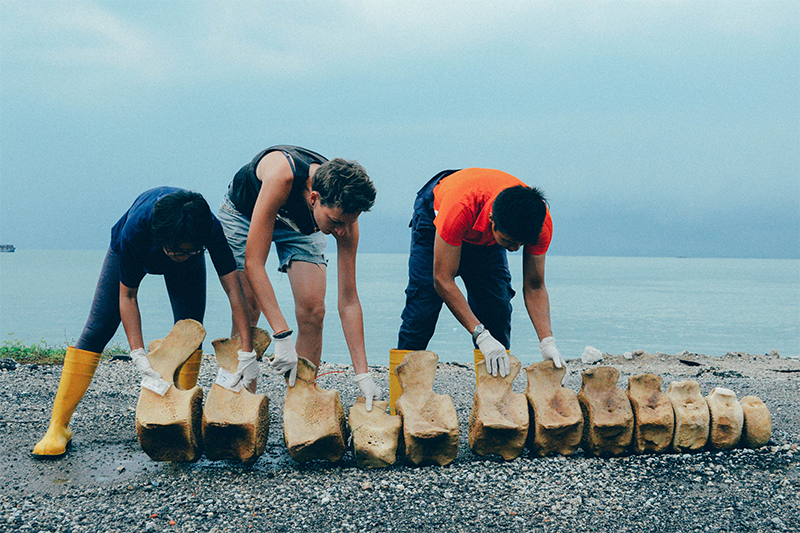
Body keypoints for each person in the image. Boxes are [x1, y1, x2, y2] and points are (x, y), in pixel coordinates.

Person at [32, 187, 254, 457]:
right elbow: (128, 295)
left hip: (182, 241)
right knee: (97, 329)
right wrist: (138, 354)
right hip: (140, 246)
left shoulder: (206, 228)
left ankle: (180, 421)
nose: (182, 258)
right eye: (176, 253)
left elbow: (234, 290)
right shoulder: (137, 230)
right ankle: (58, 426)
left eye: (190, 252)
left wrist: (246, 350)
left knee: (190, 330)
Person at [217, 145, 382, 410]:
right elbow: (254, 263)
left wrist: (363, 374)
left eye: (347, 223)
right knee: (249, 305)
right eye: (336, 221)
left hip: (303, 225)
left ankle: (301, 407)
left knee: (313, 309)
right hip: (246, 213)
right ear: (314, 197)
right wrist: (281, 336)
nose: (341, 232)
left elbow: (348, 300)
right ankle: (238, 402)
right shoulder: (282, 176)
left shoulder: (344, 218)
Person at [389, 168, 565, 411]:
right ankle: (401, 404)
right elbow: (443, 279)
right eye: (508, 242)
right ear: (492, 219)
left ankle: (494, 407)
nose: (514, 250)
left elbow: (535, 285)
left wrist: (547, 342)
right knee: (422, 308)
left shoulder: (538, 222)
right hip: (438, 218)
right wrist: (480, 334)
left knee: (496, 308)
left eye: (520, 244)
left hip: (486, 238)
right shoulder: (458, 208)